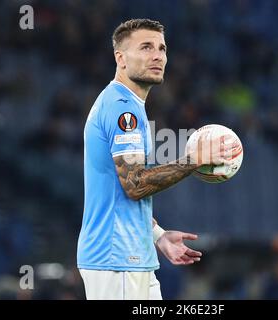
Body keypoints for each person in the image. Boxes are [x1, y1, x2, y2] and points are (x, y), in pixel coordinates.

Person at [77, 19, 238, 300]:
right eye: (146, 47)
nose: (157, 56)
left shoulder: (127, 105)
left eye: (162, 48)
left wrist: (158, 235)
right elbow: (134, 185)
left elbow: (121, 193)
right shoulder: (122, 109)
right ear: (121, 58)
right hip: (117, 258)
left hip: (131, 257)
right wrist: (192, 160)